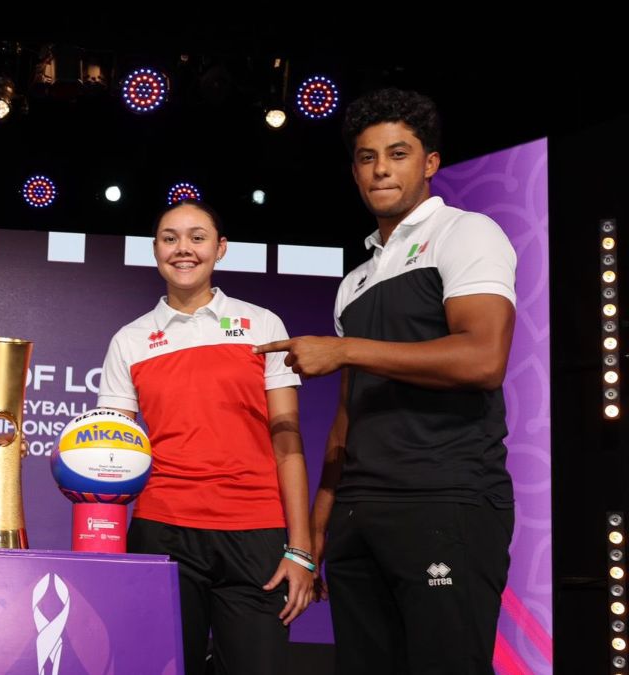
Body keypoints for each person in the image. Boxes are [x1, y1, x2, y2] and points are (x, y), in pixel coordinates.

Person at [255, 88, 517, 675]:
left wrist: (344, 348)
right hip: (359, 514)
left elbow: (483, 358)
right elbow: (349, 414)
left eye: (397, 154)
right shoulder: (355, 281)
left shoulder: (466, 233)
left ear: (430, 163)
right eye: (367, 157)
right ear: (354, 171)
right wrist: (319, 526)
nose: (380, 169)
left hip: (445, 498)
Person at [97, 200, 315, 674]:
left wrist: (300, 549)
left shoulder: (262, 325)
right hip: (163, 533)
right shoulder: (130, 340)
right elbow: (112, 456)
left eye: (197, 238)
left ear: (220, 249)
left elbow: (288, 444)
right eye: (169, 238)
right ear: (155, 249)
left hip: (256, 535)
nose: (183, 249)